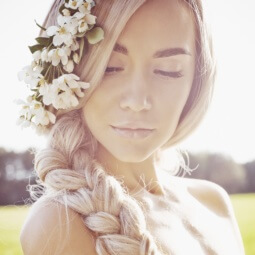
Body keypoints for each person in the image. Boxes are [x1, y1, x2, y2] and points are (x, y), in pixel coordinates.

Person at [18, 0, 245, 254]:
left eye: (168, 71)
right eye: (110, 67)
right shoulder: (59, 225)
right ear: (67, 75)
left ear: (197, 81)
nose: (138, 101)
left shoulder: (214, 203)